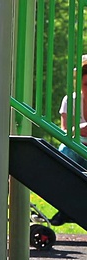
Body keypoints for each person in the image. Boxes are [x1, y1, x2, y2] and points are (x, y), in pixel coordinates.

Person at [50, 55, 87, 226]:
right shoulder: (70, 100)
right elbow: (65, 132)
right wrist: (80, 129)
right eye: (86, 84)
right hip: (77, 147)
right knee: (66, 149)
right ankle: (65, 208)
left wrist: (77, 130)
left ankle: (67, 209)